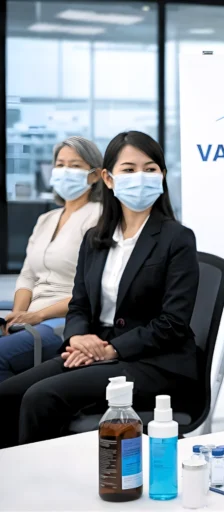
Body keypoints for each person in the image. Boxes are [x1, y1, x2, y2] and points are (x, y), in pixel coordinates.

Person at [0, 131, 199, 448]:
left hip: (156, 363)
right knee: (8, 393)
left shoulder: (177, 238)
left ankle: (42, 488)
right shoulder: (96, 239)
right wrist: (77, 337)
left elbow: (172, 323)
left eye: (150, 169)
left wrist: (110, 350)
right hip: (97, 350)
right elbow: (79, 305)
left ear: (162, 175)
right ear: (108, 178)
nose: (140, 177)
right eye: (129, 170)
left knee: (42, 397)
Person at [0, 136, 103, 382]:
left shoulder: (99, 217)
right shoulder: (46, 219)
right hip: (31, 319)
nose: (65, 171)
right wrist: (17, 316)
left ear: (95, 175)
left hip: (63, 322)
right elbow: (27, 276)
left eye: (75, 166)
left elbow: (91, 290)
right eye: (60, 164)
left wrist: (37, 316)